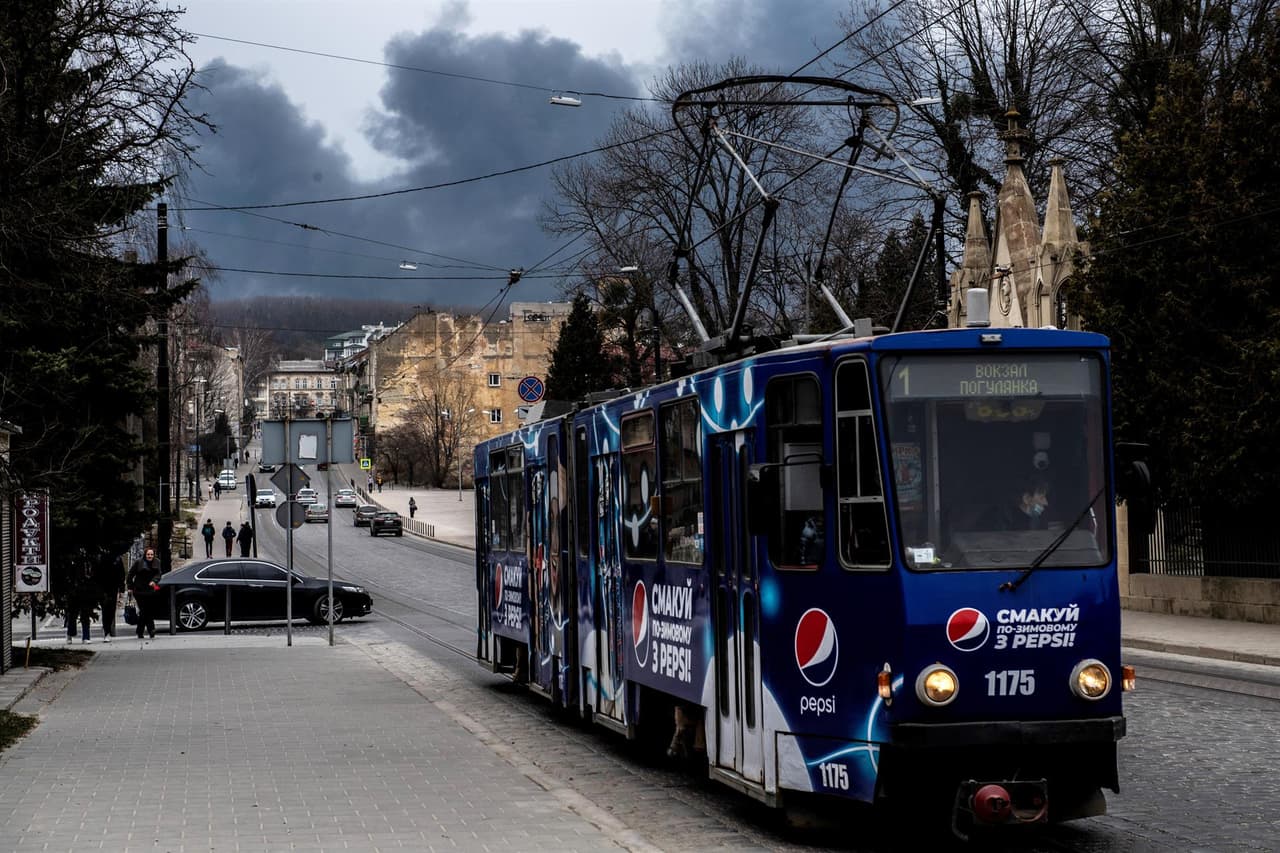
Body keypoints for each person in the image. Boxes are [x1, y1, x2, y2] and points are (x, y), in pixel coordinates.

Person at [126, 547, 161, 640]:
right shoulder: (139, 562)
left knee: (147, 611)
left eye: (151, 554)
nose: (150, 556)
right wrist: (130, 587)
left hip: (151, 589)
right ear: (145, 555)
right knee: (145, 610)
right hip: (139, 590)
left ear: (154, 555)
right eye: (148, 554)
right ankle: (151, 630)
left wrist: (154, 581)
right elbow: (130, 575)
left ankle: (140, 631)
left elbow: (159, 574)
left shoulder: (157, 562)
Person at [92, 551, 125, 642]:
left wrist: (121, 588)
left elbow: (121, 574)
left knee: (111, 610)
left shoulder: (116, 558)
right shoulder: (100, 557)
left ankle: (107, 629)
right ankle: (106, 631)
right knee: (106, 609)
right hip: (103, 587)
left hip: (112, 587)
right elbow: (95, 573)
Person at [64, 564, 96, 644]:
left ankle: (85, 636)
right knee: (72, 615)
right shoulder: (74, 561)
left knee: (84, 614)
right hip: (75, 591)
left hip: (85, 591)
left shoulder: (87, 562)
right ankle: (71, 634)